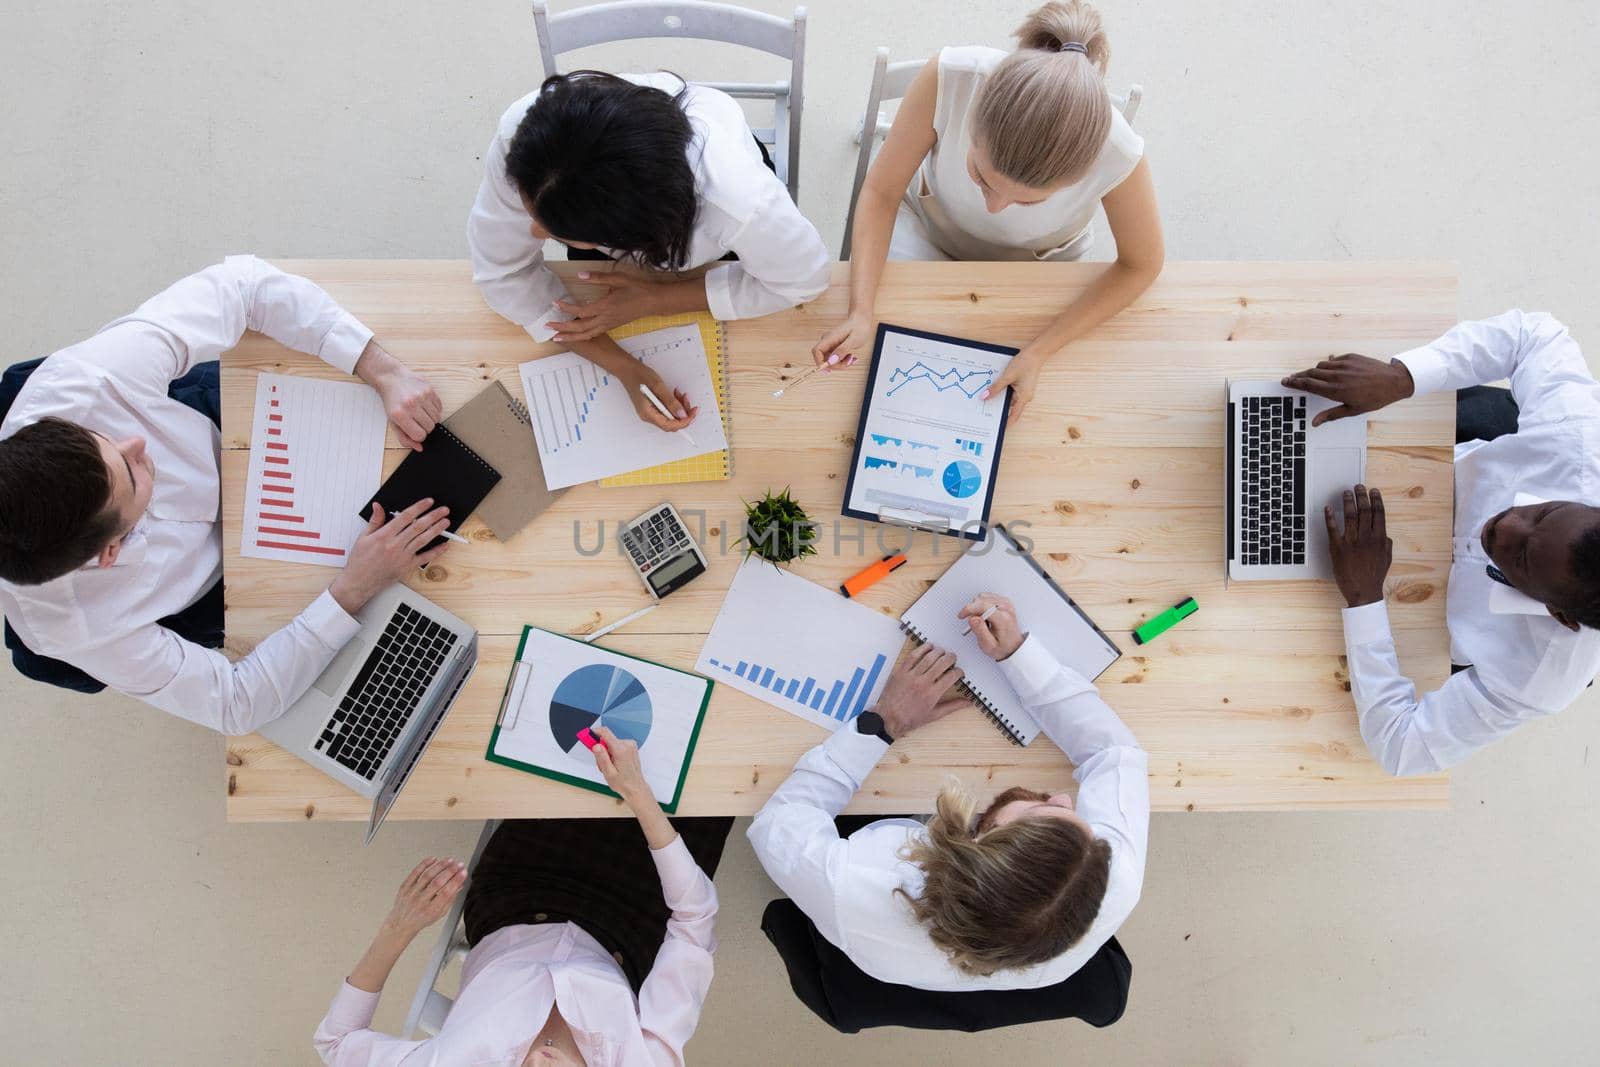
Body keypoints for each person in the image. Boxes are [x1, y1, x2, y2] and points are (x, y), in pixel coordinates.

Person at [0, 256, 453, 733]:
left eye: (105, 440)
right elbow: (236, 703)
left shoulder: (86, 384)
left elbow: (242, 287)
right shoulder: (73, 625)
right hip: (221, 586)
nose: (135, 444)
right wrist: (353, 588)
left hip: (225, 433)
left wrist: (380, 368)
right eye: (130, 475)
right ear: (111, 550)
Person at [748, 594, 1148, 991]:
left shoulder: (854, 885)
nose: (1064, 798)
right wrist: (1018, 657)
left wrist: (885, 723)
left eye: (1037, 813)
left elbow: (778, 825)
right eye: (1084, 827)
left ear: (973, 840)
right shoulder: (1112, 876)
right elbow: (1114, 753)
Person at [1283, 310, 1600, 775]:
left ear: (1557, 613)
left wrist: (1364, 599)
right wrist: (1402, 376)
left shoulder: (1538, 675)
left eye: (1523, 557)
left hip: (1430, 611)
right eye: (1543, 511)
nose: (1505, 525)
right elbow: (1533, 334)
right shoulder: (1583, 451)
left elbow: (1402, 749)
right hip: (1462, 457)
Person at [815, 0, 1164, 421]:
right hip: (927, 231)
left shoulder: (1120, 154)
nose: (995, 208)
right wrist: (861, 309)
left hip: (1037, 271)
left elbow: (1142, 265)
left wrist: (1039, 351)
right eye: (982, 177)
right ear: (973, 118)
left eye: (1026, 201)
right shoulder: (950, 79)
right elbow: (881, 190)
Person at [314, 725, 731, 1065]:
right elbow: (695, 919)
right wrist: (638, 794)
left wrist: (398, 928)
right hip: (637, 913)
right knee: (717, 756)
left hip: (522, 889)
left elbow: (336, 1042)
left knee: (576, 724)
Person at [470, 70, 831, 429]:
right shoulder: (527, 137)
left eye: (556, 233)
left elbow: (802, 280)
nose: (533, 233)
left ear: (631, 240)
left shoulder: (742, 205)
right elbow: (503, 272)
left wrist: (656, 299)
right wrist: (625, 367)